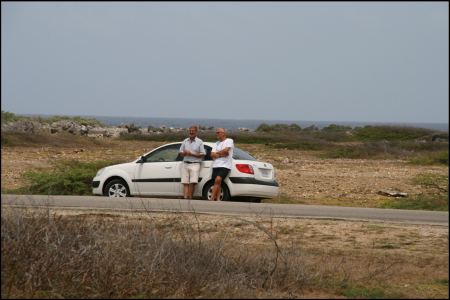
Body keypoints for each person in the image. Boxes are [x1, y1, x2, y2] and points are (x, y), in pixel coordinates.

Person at [179, 125, 206, 199]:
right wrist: (184, 153)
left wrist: (192, 154)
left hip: (195, 164)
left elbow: (203, 154)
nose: (191, 132)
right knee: (185, 182)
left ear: (196, 132)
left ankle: (190, 198)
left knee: (192, 182)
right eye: (190, 130)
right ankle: (185, 198)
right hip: (185, 163)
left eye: (193, 131)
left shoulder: (200, 142)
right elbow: (180, 152)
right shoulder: (185, 141)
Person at [210, 127, 234, 201]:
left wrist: (217, 154)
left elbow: (226, 150)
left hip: (225, 165)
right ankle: (217, 198)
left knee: (217, 180)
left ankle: (212, 198)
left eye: (218, 132)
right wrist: (221, 154)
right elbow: (211, 154)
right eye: (216, 132)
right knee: (218, 182)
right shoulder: (216, 143)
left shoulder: (229, 140)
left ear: (223, 133)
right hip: (216, 165)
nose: (217, 134)